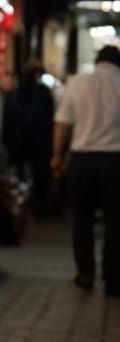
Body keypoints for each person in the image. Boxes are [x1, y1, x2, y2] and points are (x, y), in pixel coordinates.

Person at [51, 44, 120, 294]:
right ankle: (113, 279)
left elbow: (62, 123)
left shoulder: (77, 83)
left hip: (82, 161)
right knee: (116, 222)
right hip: (116, 163)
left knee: (82, 219)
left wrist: (57, 156)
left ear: (97, 61)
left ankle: (85, 274)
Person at [3, 61, 56, 203]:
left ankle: (26, 205)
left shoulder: (15, 95)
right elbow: (50, 119)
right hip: (36, 144)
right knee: (37, 177)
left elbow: (7, 123)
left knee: (22, 177)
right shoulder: (42, 93)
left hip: (22, 143)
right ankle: (36, 204)